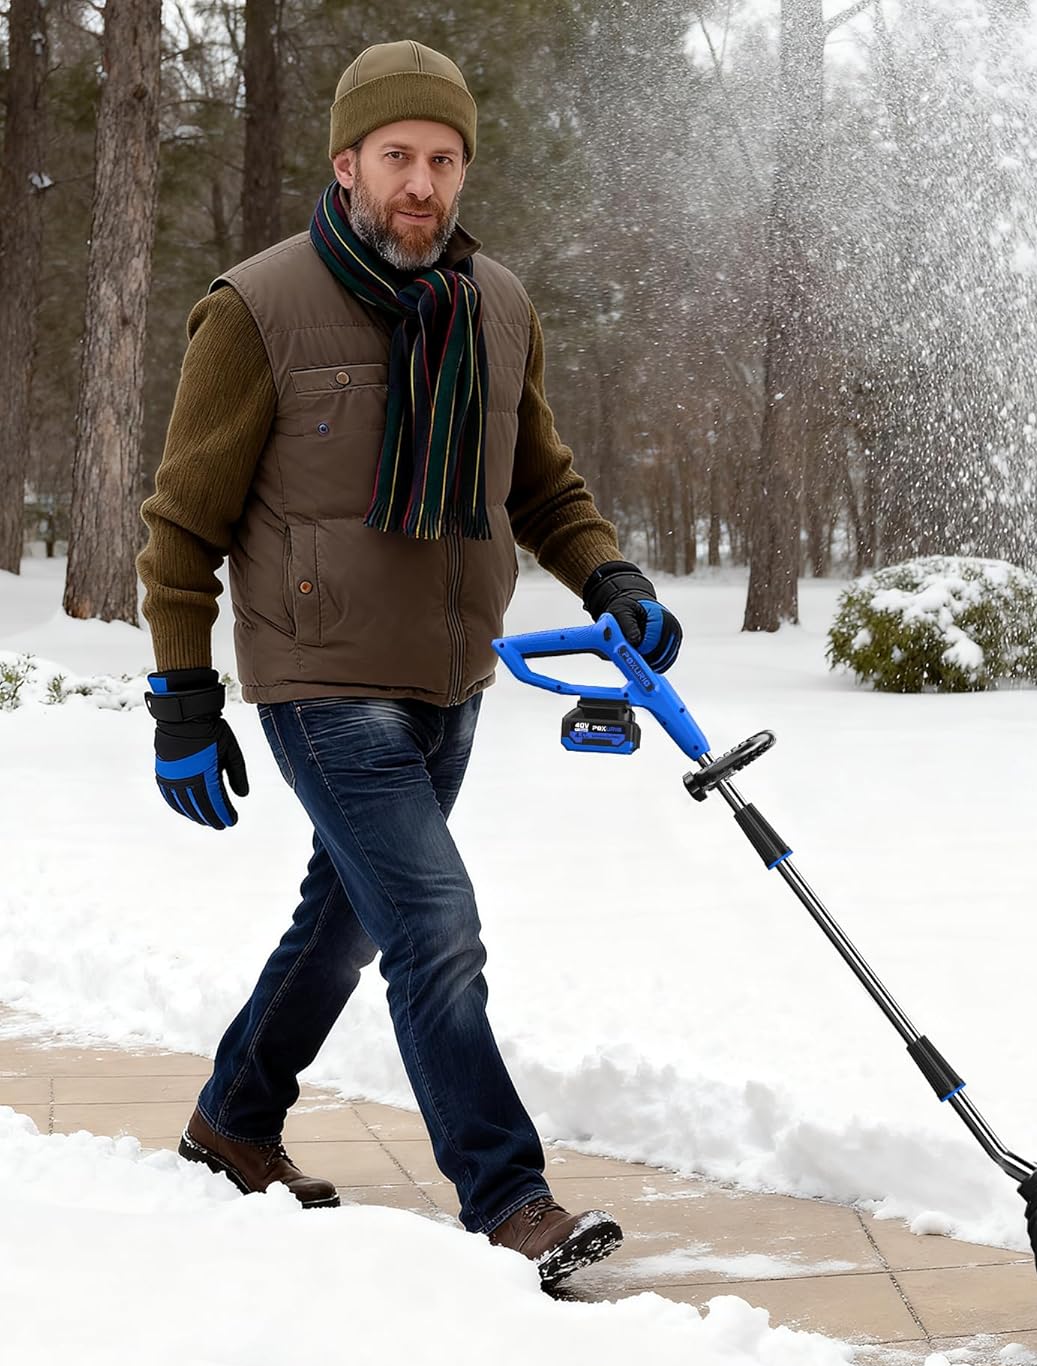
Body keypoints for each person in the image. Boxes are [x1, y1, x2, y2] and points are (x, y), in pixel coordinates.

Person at [135, 39, 682, 1289]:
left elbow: (538, 482)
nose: (422, 185)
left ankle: (233, 1119)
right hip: (321, 678)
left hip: (451, 677)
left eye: (444, 161)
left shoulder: (497, 305)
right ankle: (510, 1198)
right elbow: (181, 520)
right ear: (348, 164)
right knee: (435, 924)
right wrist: (181, 693)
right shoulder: (256, 308)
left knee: (347, 921)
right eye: (398, 158)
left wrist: (609, 576)